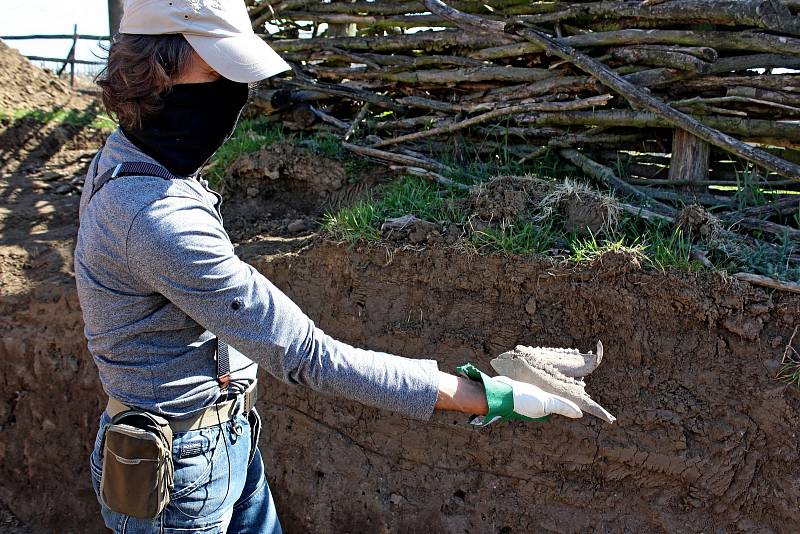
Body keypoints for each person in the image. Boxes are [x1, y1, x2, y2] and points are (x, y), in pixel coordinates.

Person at [76, 1, 583, 532]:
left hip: (224, 439)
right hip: (175, 475)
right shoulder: (153, 214)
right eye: (217, 72)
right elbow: (308, 356)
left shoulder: (136, 159)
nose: (234, 93)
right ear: (156, 73)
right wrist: (488, 396)